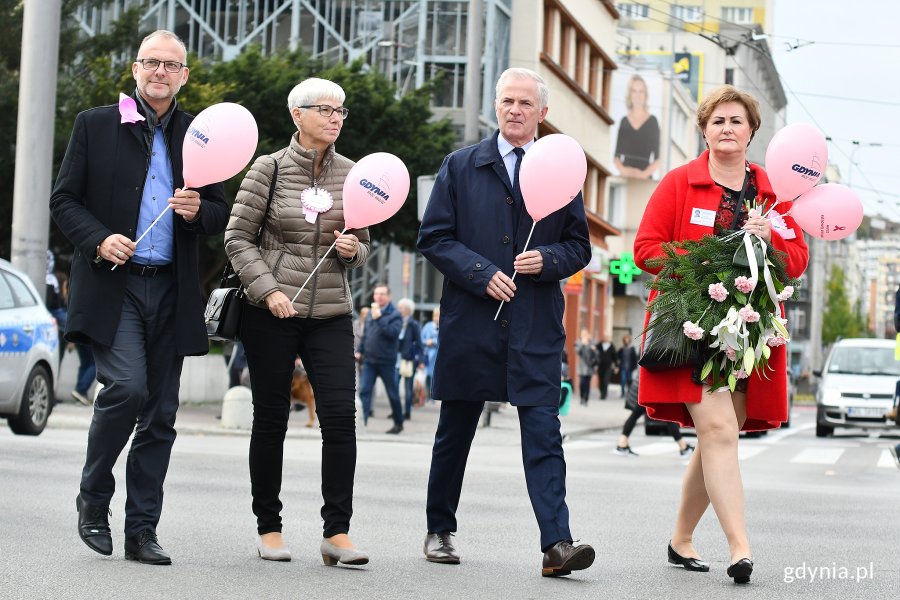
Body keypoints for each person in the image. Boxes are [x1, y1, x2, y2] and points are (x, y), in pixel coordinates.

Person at [49, 30, 229, 565]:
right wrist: (98, 237)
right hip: (115, 285)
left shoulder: (199, 135)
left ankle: (142, 529)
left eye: (171, 65)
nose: (160, 72)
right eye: (151, 62)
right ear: (135, 69)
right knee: (126, 388)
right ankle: (93, 500)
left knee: (161, 414)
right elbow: (64, 200)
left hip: (173, 288)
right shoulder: (96, 124)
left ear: (184, 76)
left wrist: (200, 212)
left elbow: (219, 212)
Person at [417, 67, 595, 577]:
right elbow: (434, 237)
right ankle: (439, 530)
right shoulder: (461, 165)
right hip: (471, 321)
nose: (514, 110)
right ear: (496, 106)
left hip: (535, 325)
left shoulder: (563, 169)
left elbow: (578, 245)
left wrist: (549, 260)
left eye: (524, 103)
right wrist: (481, 272)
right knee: (455, 431)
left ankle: (556, 544)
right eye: (506, 101)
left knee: (544, 432)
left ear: (543, 113)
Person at [633, 85, 809, 584]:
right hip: (690, 323)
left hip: (749, 331)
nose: (727, 128)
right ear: (704, 131)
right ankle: (740, 547)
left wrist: (770, 236)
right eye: (717, 121)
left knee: (719, 436)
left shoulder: (775, 193)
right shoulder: (678, 183)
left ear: (752, 131)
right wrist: (706, 265)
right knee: (717, 431)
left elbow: (797, 261)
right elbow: (646, 249)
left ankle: (680, 539)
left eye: (736, 120)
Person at [225, 77, 370, 566]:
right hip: (271, 313)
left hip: (330, 312)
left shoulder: (353, 174)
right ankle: (269, 527)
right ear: (297, 115)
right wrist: (269, 291)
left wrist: (355, 249)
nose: (335, 118)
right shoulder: (267, 169)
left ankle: (338, 532)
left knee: (340, 418)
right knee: (270, 418)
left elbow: (362, 242)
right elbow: (237, 238)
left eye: (341, 111)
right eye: (324, 109)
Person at [356, 285, 404, 433]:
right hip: (370, 360)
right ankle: (363, 422)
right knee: (364, 390)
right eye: (376, 294)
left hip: (386, 361)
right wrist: (359, 351)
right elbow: (366, 335)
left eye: (382, 294)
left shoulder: (395, 315)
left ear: (389, 296)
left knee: (392, 394)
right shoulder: (371, 313)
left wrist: (380, 318)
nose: (378, 297)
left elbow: (393, 333)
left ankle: (398, 423)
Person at [615, 368, 693, 457]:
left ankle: (622, 444)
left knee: (635, 416)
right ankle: (683, 447)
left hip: (645, 386)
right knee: (667, 415)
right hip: (648, 387)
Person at [614, 74, 661, 179]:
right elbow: (616, 157)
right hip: (624, 179)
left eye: (641, 92)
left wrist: (643, 175)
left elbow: (657, 160)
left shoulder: (653, 122)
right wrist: (624, 171)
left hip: (644, 181)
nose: (637, 95)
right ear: (630, 95)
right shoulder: (624, 121)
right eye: (634, 91)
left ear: (645, 95)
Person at [396, 298, 424, 420]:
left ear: (407, 310)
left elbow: (419, 343)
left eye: (401, 308)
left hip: (408, 360)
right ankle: (396, 411)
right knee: (394, 386)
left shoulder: (414, 324)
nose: (399, 310)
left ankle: (407, 412)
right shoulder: (396, 322)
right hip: (396, 358)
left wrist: (421, 361)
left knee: (408, 389)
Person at [420, 306, 440, 401]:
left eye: (438, 315)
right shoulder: (428, 326)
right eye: (436, 315)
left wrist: (434, 342)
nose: (437, 318)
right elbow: (421, 339)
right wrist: (426, 342)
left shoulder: (444, 326)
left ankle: (433, 395)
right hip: (427, 355)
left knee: (434, 376)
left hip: (437, 355)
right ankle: (427, 394)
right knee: (427, 375)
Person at [573, 329, 596, 406]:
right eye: (583, 334)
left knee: (587, 384)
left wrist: (593, 348)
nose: (585, 336)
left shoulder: (592, 342)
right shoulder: (578, 342)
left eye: (586, 334)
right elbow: (577, 351)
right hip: (581, 367)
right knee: (582, 383)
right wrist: (583, 344)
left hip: (589, 367)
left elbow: (596, 354)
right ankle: (582, 398)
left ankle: (586, 399)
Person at [595, 336, 617, 400]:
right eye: (605, 338)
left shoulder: (611, 346)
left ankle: (604, 394)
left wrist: (616, 366)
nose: (606, 339)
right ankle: (602, 392)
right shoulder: (599, 345)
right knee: (601, 380)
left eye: (608, 338)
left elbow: (615, 357)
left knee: (605, 380)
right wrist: (595, 364)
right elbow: (595, 355)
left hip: (608, 366)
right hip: (600, 366)